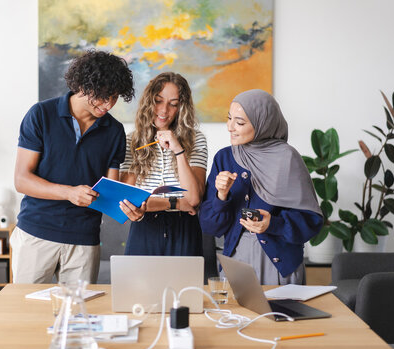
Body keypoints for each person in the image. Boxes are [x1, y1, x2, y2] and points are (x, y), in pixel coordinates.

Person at [11, 50, 139, 284]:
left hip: (84, 240)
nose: (108, 104)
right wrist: (69, 193)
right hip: (35, 234)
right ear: (83, 85)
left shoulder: (114, 131)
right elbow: (22, 180)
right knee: (26, 314)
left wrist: (131, 203)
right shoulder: (41, 115)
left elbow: (109, 192)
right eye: (103, 95)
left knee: (79, 317)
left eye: (115, 97)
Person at [199, 89, 323, 285]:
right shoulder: (224, 158)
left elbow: (311, 222)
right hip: (236, 260)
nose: (230, 127)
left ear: (262, 123)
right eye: (229, 118)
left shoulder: (287, 158)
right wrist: (221, 196)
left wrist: (273, 224)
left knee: (281, 315)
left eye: (239, 122)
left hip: (279, 265)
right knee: (233, 316)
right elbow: (209, 226)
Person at [119, 72, 208, 256]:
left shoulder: (196, 139)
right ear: (148, 101)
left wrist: (178, 150)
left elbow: (193, 199)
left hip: (185, 230)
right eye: (158, 101)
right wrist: (176, 203)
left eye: (173, 104)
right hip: (144, 227)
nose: (164, 110)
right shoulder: (131, 141)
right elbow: (129, 201)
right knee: (138, 285)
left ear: (181, 107)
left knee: (185, 285)